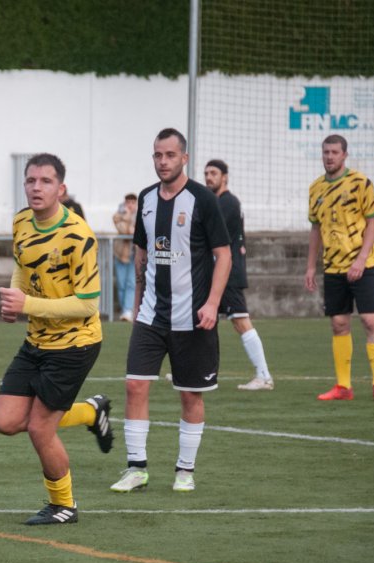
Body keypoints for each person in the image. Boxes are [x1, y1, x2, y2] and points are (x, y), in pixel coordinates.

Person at [0, 153, 114, 525]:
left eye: (45, 181)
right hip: (37, 340)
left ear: (61, 188)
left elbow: (88, 304)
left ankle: (64, 505)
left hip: (76, 343)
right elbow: (22, 263)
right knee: (5, 421)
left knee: (40, 427)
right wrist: (16, 300)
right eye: (31, 180)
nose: (36, 187)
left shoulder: (80, 236)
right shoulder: (21, 222)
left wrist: (28, 303)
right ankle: (92, 412)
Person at [111, 128, 231, 494]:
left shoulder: (202, 200)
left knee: (190, 394)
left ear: (184, 158)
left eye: (169, 155)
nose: (162, 161)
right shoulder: (146, 199)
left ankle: (185, 470)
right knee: (134, 385)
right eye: (157, 155)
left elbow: (223, 255)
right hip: (150, 315)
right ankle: (136, 468)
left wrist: (211, 304)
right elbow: (141, 255)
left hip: (192, 317)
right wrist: (135, 307)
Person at [305, 134, 374, 401]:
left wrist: (361, 259)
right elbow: (316, 229)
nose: (329, 156)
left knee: (369, 320)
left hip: (364, 264)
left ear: (345, 155)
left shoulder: (361, 183)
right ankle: (343, 387)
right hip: (333, 267)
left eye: (334, 152)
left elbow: (373, 223)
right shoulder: (315, 188)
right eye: (326, 152)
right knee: (339, 324)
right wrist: (310, 267)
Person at [203, 159, 274, 390]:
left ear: (225, 177)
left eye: (213, 173)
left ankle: (263, 376)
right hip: (216, 273)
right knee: (202, 321)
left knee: (240, 321)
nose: (208, 177)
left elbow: (207, 231)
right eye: (206, 173)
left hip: (228, 273)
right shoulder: (219, 201)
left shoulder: (227, 202)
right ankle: (201, 372)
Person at [112, 193, 138, 321]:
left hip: (135, 255)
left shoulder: (141, 214)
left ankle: (128, 310)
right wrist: (127, 217)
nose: (130, 205)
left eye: (133, 202)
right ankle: (125, 310)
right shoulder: (118, 215)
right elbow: (125, 230)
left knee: (131, 283)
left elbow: (136, 231)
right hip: (120, 254)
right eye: (128, 202)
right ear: (125, 203)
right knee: (121, 284)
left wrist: (129, 226)